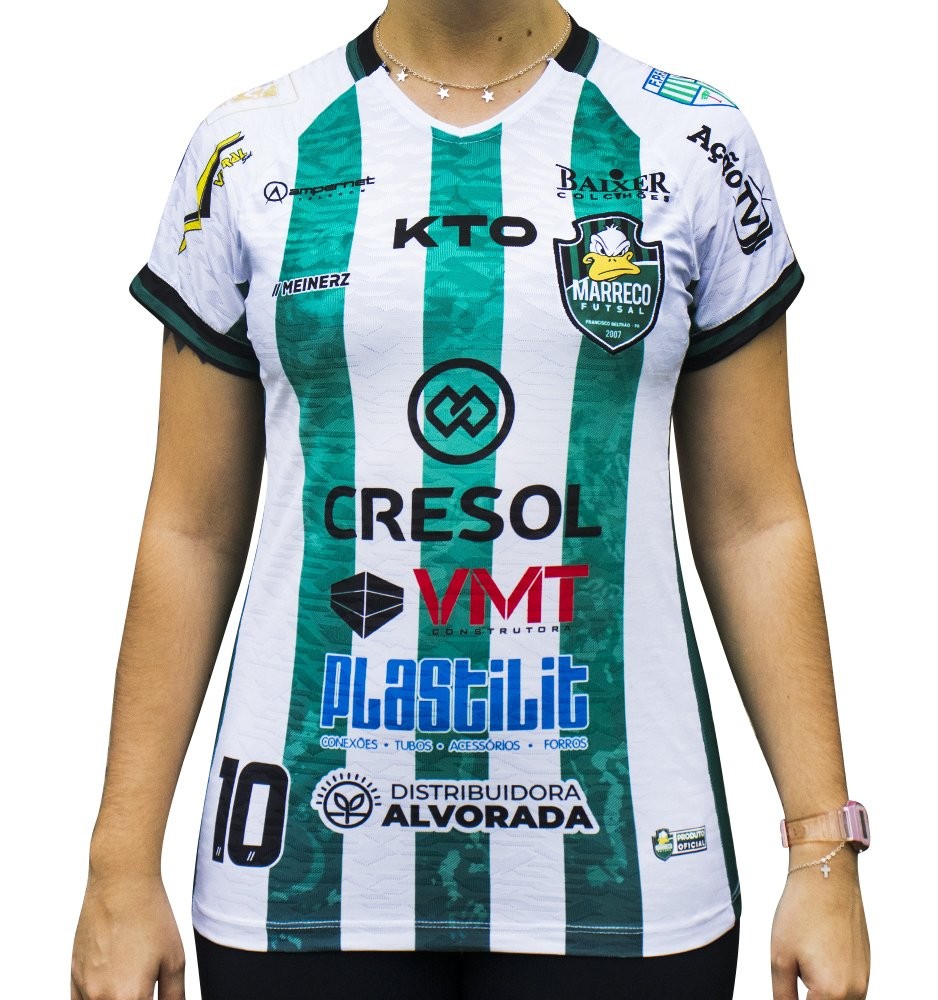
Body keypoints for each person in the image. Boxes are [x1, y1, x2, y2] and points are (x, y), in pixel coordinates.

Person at [71, 1, 870, 998]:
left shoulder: (689, 139)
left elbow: (755, 519)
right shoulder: (249, 147)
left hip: (627, 876)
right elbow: (190, 527)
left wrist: (824, 847)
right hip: (300, 871)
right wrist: (118, 864)